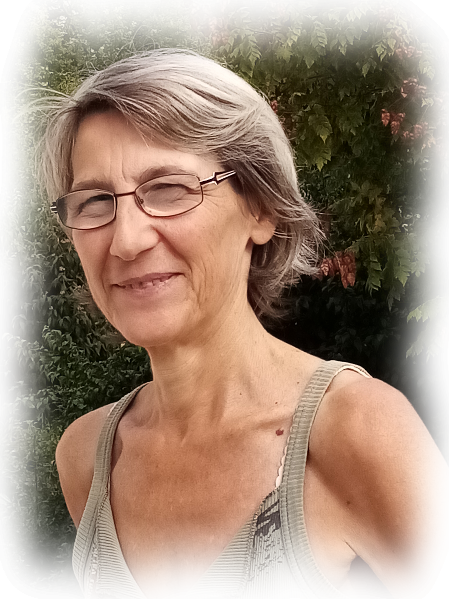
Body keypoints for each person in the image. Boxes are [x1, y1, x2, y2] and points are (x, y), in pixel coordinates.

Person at [39, 49, 449, 599]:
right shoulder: (89, 458)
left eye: (169, 190)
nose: (127, 240)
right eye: (94, 201)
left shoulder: (355, 432)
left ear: (260, 209)